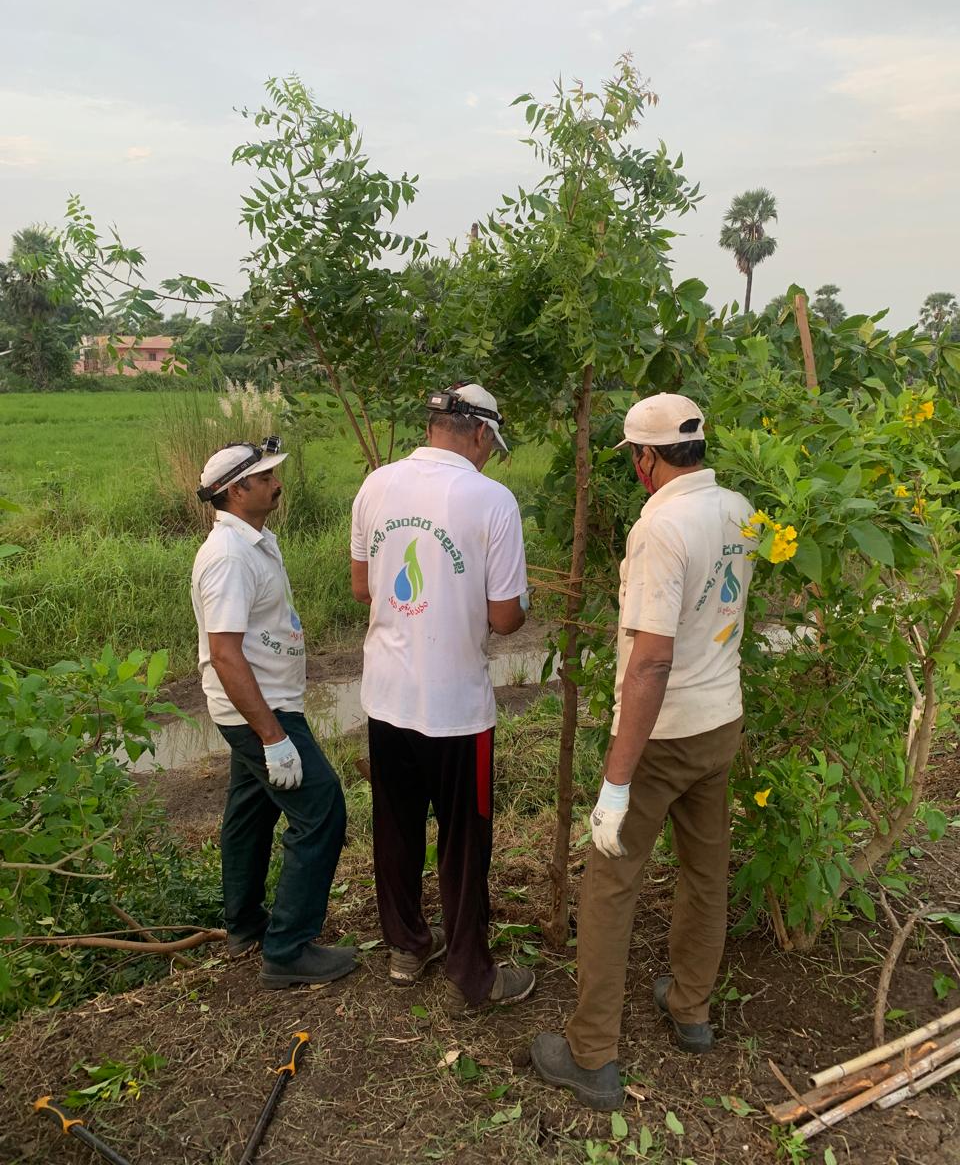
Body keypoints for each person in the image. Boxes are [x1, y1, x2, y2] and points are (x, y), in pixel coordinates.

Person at [531, 393, 756, 1109]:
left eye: (635, 455)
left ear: (647, 458)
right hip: (720, 723)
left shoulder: (660, 527)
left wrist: (616, 783)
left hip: (662, 735)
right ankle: (690, 1009)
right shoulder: (739, 510)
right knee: (706, 872)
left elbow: (652, 660)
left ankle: (591, 1053)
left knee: (610, 884)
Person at [350, 383, 535, 1016]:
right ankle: (468, 977)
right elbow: (505, 618)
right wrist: (511, 600)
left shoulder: (376, 485)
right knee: (464, 839)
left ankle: (406, 948)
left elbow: (361, 588)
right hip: (456, 707)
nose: (488, 456)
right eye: (490, 445)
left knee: (395, 826)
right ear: (480, 433)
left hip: (386, 696)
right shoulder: (492, 501)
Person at [191, 438, 355, 989]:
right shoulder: (229, 557)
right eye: (265, 479)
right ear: (237, 491)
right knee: (321, 810)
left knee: (250, 813)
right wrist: (273, 736)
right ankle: (287, 949)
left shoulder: (253, 541)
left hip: (261, 705)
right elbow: (224, 653)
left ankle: (245, 925)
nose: (277, 484)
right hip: (259, 712)